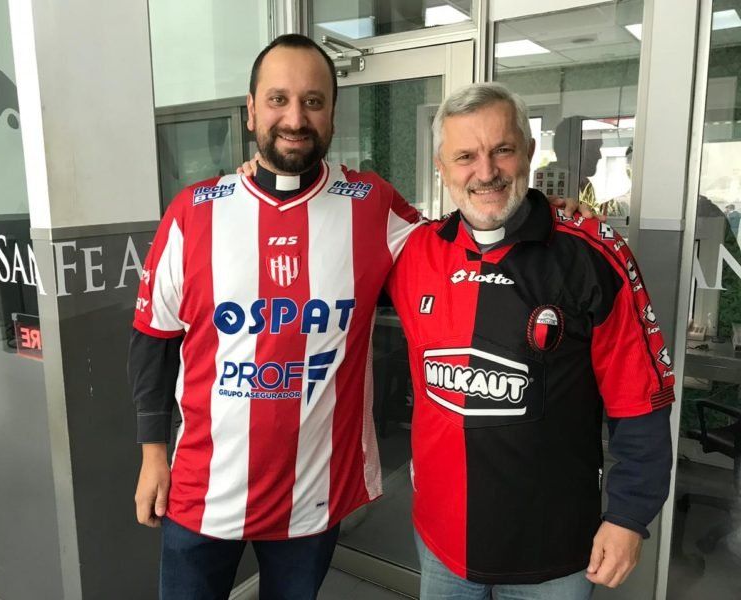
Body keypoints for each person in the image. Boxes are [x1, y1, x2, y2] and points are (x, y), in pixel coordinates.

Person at [130, 35, 588, 600]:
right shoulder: (193, 212)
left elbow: (461, 239)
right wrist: (153, 453)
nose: (295, 118)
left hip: (314, 494)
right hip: (202, 490)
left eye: (313, 102)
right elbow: (153, 338)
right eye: (278, 100)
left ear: (332, 114)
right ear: (251, 110)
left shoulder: (371, 204)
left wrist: (542, 211)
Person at [384, 82, 675, 599]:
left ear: (529, 152)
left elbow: (640, 400)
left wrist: (629, 516)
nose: (486, 172)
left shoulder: (591, 254)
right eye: (465, 156)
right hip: (441, 545)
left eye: (502, 150)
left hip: (554, 554)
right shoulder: (415, 254)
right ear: (441, 166)